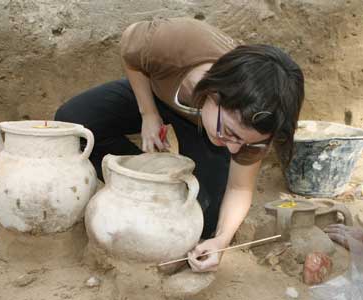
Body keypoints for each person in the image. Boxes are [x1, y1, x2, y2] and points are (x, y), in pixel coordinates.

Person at [55, 17, 304, 272]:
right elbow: (132, 52)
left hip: (201, 123)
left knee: (205, 217)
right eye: (230, 134)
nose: (233, 150)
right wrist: (148, 114)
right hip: (157, 91)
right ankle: (141, 174)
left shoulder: (254, 124)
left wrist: (221, 240)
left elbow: (239, 187)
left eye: (245, 143)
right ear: (215, 94)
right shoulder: (176, 43)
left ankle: (162, 182)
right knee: (74, 126)